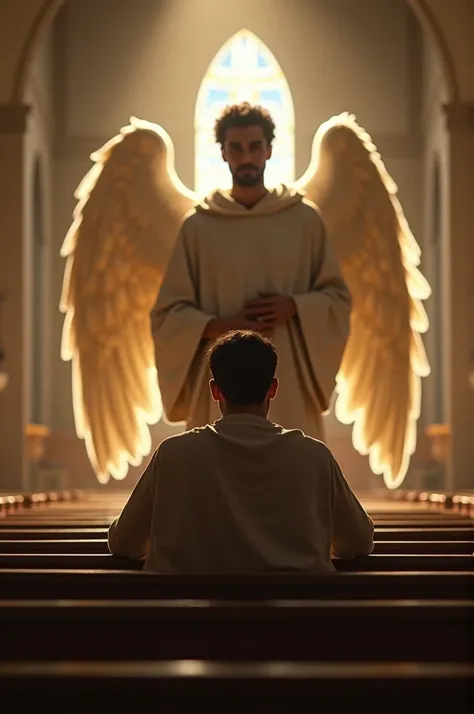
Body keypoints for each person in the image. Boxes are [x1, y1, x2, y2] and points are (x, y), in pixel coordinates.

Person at [150, 102, 352, 440]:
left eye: (255, 147)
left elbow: (337, 299)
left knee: (289, 471)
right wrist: (224, 326)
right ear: (224, 153)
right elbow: (168, 314)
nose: (246, 157)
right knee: (215, 478)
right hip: (220, 374)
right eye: (236, 148)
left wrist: (295, 306)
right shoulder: (198, 226)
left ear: (269, 150)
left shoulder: (304, 220)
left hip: (285, 378)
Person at [108, 330, 374, 574]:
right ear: (273, 388)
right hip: (293, 623)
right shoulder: (314, 456)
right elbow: (358, 542)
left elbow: (124, 543)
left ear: (215, 390)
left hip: (189, 623)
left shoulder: (173, 454)